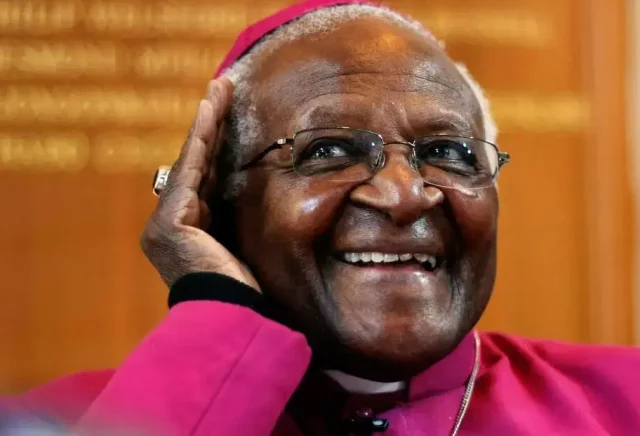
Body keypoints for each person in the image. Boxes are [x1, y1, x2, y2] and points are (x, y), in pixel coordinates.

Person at [3, 0, 640, 434]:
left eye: (448, 153)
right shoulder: (76, 420)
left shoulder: (624, 401)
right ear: (219, 204)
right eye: (328, 150)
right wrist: (217, 310)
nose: (404, 195)